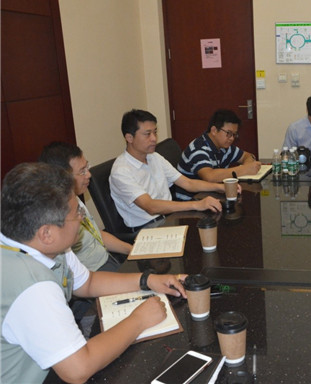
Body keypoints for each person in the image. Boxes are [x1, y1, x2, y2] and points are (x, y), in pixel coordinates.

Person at [0, 163, 189, 383]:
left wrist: (147, 280)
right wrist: (138, 320)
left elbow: (88, 283)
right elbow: (78, 369)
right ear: (46, 233)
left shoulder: (39, 244)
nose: (82, 218)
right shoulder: (32, 287)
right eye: (76, 213)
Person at [110, 109, 227, 230]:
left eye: (155, 132)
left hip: (169, 217)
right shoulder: (121, 171)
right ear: (129, 137)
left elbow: (187, 183)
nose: (154, 138)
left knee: (215, 222)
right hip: (147, 228)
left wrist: (221, 187)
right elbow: (150, 206)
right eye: (147, 134)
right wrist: (197, 204)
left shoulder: (154, 157)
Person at [39, 141, 131, 272]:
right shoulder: (55, 218)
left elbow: (96, 234)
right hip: (92, 273)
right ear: (62, 178)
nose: (89, 174)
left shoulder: (74, 198)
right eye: (82, 171)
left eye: (87, 167)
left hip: (107, 260)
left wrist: (131, 250)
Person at [176, 109, 261, 200]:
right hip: (191, 201)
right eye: (228, 133)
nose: (232, 138)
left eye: (234, 134)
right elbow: (209, 176)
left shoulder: (224, 147)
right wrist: (244, 169)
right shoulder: (198, 149)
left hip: (211, 195)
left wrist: (248, 165)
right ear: (214, 130)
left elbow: (247, 156)